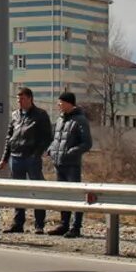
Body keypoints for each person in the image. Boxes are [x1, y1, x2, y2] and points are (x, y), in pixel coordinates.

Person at [0, 87, 54, 233]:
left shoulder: (40, 115)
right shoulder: (15, 115)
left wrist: (36, 153)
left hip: (31, 158)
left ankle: (39, 224)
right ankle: (18, 223)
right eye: (18, 99)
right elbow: (9, 138)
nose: (19, 102)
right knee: (18, 191)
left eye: (22, 99)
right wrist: (5, 158)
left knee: (36, 190)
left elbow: (47, 137)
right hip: (15, 158)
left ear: (30, 98)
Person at [45, 91, 92, 238]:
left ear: (69, 103)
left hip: (72, 164)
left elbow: (87, 143)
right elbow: (55, 139)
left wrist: (70, 152)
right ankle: (64, 224)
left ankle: (76, 227)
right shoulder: (59, 120)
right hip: (58, 163)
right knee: (63, 195)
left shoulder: (80, 120)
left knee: (76, 195)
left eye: (60, 102)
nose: (58, 105)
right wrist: (50, 149)